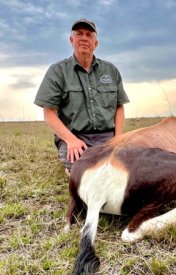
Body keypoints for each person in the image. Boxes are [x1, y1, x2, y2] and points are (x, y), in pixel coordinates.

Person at [34, 19, 130, 175]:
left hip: (107, 136)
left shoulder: (111, 70)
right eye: (79, 34)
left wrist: (118, 139)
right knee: (83, 172)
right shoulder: (57, 71)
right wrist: (71, 140)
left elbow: (119, 106)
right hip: (75, 136)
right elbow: (49, 113)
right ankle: (71, 166)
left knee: (126, 166)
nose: (84, 38)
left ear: (95, 43)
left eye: (89, 35)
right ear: (71, 40)